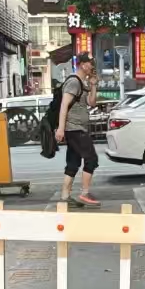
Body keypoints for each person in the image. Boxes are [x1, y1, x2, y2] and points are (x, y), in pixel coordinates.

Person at [55, 52, 99, 205]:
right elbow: (64, 105)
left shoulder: (82, 83)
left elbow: (91, 103)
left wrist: (93, 85)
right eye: (90, 63)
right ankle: (85, 193)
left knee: (73, 162)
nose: (92, 66)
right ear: (83, 65)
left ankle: (65, 196)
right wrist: (61, 129)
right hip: (74, 129)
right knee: (91, 159)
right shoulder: (74, 82)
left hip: (78, 128)